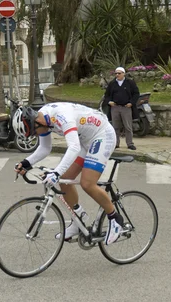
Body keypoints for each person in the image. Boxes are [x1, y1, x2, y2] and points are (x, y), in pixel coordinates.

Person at [13, 102, 123, 245]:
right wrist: (26, 163)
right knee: (65, 180)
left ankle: (115, 218)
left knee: (87, 183)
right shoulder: (42, 118)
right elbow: (45, 148)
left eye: (34, 132)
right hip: (85, 140)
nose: (35, 135)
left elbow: (74, 147)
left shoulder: (62, 117)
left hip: (102, 135)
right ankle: (78, 219)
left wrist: (56, 172)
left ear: (37, 122)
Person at [103, 66, 140, 150]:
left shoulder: (130, 83)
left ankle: (130, 143)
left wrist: (131, 103)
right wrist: (109, 102)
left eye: (119, 73)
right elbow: (107, 95)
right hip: (115, 107)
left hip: (126, 107)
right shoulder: (112, 83)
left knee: (128, 126)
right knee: (115, 126)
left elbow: (136, 93)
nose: (117, 75)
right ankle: (116, 143)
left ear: (123, 74)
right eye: (116, 73)